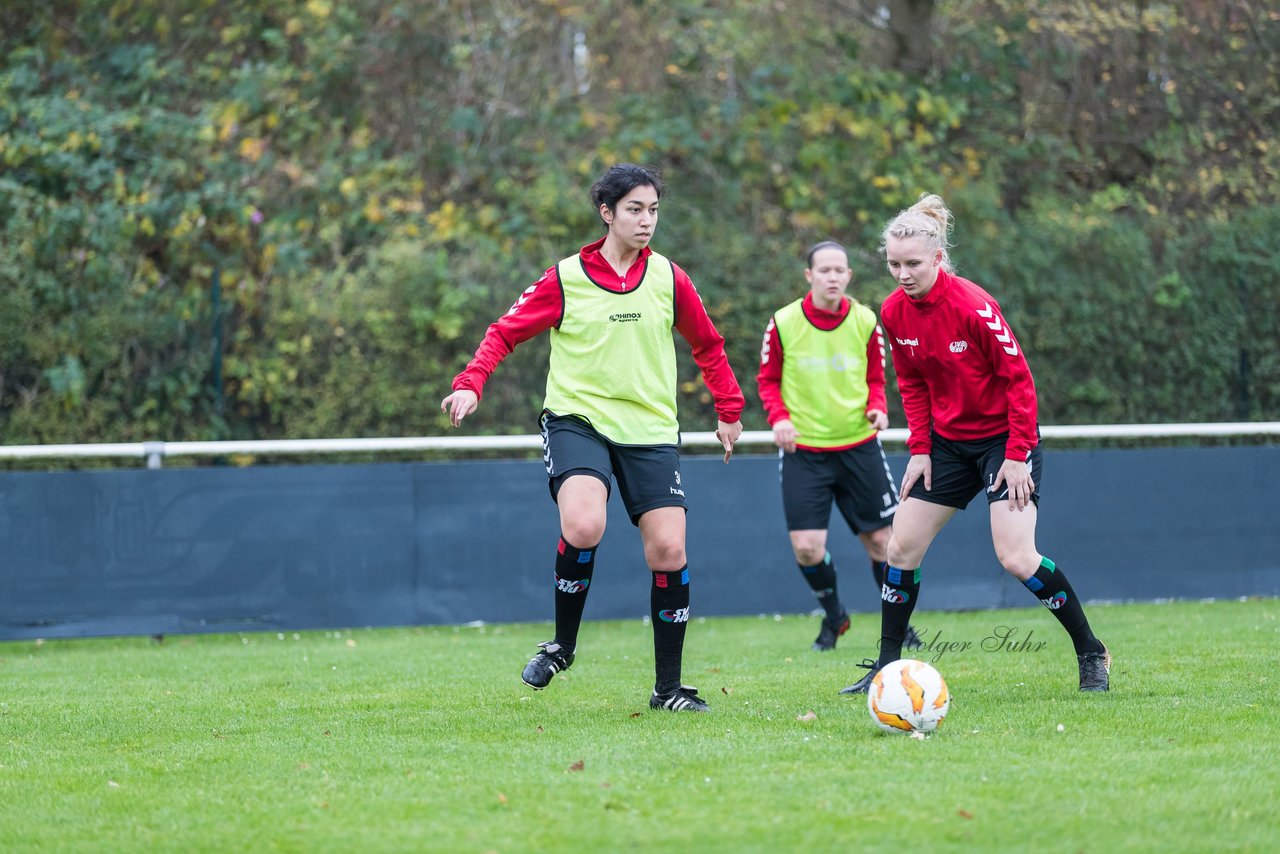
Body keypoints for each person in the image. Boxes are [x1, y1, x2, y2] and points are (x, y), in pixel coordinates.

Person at [440, 164, 745, 713]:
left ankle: (668, 689)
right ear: (607, 213)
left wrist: (729, 408)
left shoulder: (670, 278)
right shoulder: (566, 278)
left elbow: (708, 344)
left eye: (653, 210)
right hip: (578, 419)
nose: (646, 220)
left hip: (649, 428)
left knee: (669, 549)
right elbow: (504, 332)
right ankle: (561, 646)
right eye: (635, 209)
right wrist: (470, 383)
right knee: (584, 524)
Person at [840, 194, 1111, 694]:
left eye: (913, 264)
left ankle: (1091, 651)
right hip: (946, 445)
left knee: (1016, 557)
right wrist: (920, 448)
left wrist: (1015, 455)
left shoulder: (973, 305)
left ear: (938, 258)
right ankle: (886, 670)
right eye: (893, 264)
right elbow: (913, 384)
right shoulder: (895, 311)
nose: (902, 273)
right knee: (900, 548)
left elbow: (1020, 380)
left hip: (1004, 439)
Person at [757, 240, 922, 653]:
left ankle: (898, 630)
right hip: (804, 453)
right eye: (824, 270)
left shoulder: (866, 321)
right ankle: (835, 616)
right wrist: (779, 418)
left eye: (840, 270)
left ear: (849, 275)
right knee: (808, 549)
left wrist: (878, 409)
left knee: (884, 545)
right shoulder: (784, 321)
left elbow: (877, 380)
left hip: (858, 448)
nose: (833, 277)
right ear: (809, 275)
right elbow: (767, 381)